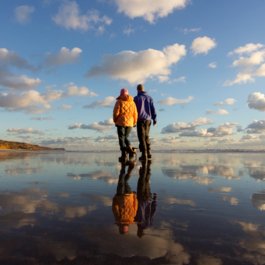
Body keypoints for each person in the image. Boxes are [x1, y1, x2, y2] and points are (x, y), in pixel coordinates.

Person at [112, 160, 138, 234]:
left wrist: (115, 198)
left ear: (120, 228)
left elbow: (115, 207)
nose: (124, 228)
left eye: (122, 229)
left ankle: (126, 168)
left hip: (123, 195)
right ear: (127, 228)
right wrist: (135, 196)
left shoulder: (120, 218)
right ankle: (127, 168)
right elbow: (135, 206)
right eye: (125, 229)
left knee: (122, 181)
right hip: (128, 195)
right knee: (123, 181)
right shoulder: (131, 218)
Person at [113, 88, 138, 162]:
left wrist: (115, 120)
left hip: (120, 122)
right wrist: (134, 122)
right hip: (130, 123)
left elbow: (116, 112)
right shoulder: (132, 102)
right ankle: (130, 148)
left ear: (121, 94)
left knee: (121, 138)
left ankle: (124, 154)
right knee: (126, 137)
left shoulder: (119, 101)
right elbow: (135, 113)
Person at [134, 84, 157, 160]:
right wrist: (154, 119)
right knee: (146, 136)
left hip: (140, 120)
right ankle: (149, 153)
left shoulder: (136, 98)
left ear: (138, 90)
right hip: (148, 120)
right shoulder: (149, 98)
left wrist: (133, 121)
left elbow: (133, 111)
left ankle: (144, 154)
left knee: (141, 138)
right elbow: (153, 109)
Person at [135, 160, 157, 238]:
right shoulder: (147, 224)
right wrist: (155, 200)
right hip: (146, 198)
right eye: (139, 232)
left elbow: (134, 207)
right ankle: (147, 165)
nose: (139, 231)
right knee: (145, 181)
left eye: (138, 232)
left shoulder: (136, 221)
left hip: (141, 197)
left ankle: (145, 165)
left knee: (142, 180)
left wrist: (133, 196)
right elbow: (152, 212)